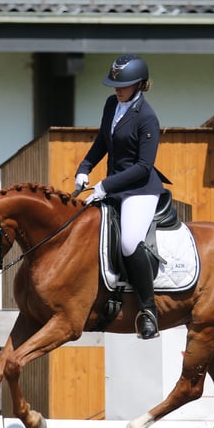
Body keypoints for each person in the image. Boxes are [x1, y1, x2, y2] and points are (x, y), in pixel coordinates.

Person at [74, 54, 170, 339]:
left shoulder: (147, 117)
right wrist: (84, 167)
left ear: (140, 84)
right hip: (114, 186)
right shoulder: (111, 104)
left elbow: (143, 167)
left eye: (124, 84)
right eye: (115, 83)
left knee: (129, 242)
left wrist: (105, 186)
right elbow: (103, 140)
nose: (118, 88)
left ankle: (148, 310)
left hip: (140, 189)